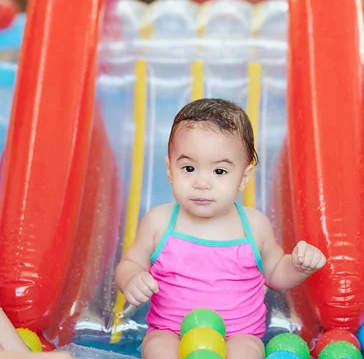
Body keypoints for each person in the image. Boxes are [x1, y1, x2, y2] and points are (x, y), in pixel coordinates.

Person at [115, 98, 326, 359]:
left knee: (246, 352)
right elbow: (129, 263)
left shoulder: (254, 225)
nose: (202, 183)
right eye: (189, 168)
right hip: (170, 331)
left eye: (220, 171)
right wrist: (131, 278)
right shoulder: (159, 222)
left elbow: (275, 273)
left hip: (238, 334)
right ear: (170, 170)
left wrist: (297, 266)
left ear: (244, 177)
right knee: (158, 348)